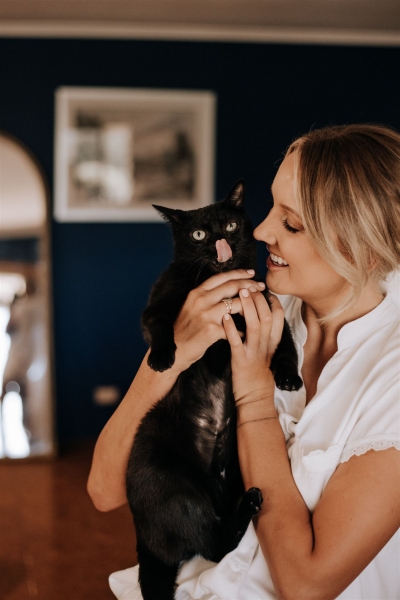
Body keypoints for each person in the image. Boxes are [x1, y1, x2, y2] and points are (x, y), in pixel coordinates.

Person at [87, 124, 400, 600]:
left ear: (363, 249)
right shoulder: (250, 308)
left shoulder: (391, 376)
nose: (259, 230)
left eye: (291, 224)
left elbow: (306, 584)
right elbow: (104, 489)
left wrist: (255, 395)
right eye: (271, 206)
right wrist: (171, 355)